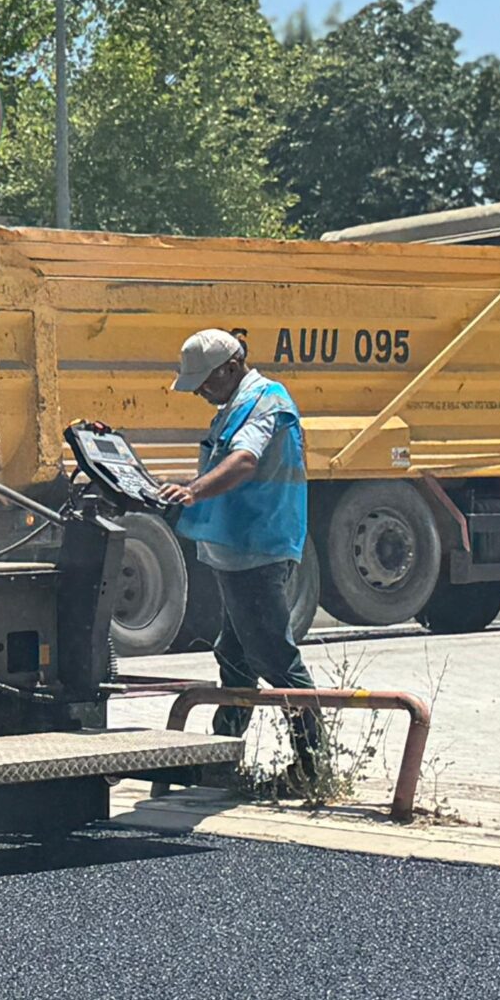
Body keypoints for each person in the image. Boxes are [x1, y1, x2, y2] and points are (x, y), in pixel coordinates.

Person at [158, 327, 325, 782]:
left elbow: (246, 460)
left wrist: (193, 492)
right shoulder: (235, 405)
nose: (200, 393)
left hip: (258, 548)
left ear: (231, 368)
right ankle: (221, 761)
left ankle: (312, 766)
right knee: (233, 657)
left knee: (273, 658)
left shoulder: (264, 402)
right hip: (238, 549)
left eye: (204, 382)